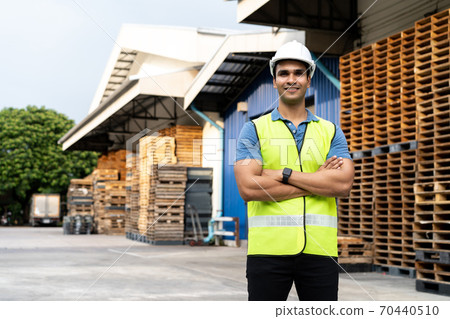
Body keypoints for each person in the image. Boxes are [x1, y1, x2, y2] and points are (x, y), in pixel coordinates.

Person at [234, 40, 354, 301]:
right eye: (284, 73)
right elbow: (248, 188)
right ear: (275, 81)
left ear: (309, 79)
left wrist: (281, 173)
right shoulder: (254, 129)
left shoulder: (331, 131)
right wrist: (319, 180)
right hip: (267, 252)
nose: (292, 79)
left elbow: (342, 185)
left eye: (298, 73)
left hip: (320, 251)